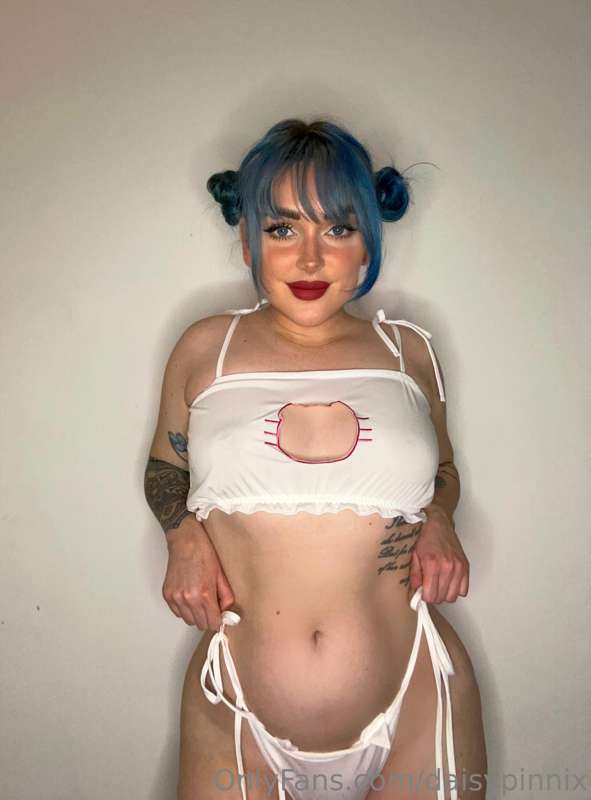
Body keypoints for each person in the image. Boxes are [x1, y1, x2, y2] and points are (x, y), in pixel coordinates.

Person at [144, 118, 487, 800]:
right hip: (236, 706)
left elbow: (442, 472)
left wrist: (441, 519)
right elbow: (165, 467)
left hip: (419, 692)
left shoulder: (409, 353)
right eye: (282, 229)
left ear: (368, 243)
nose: (309, 259)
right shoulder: (205, 348)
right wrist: (182, 537)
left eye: (337, 228)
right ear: (248, 241)